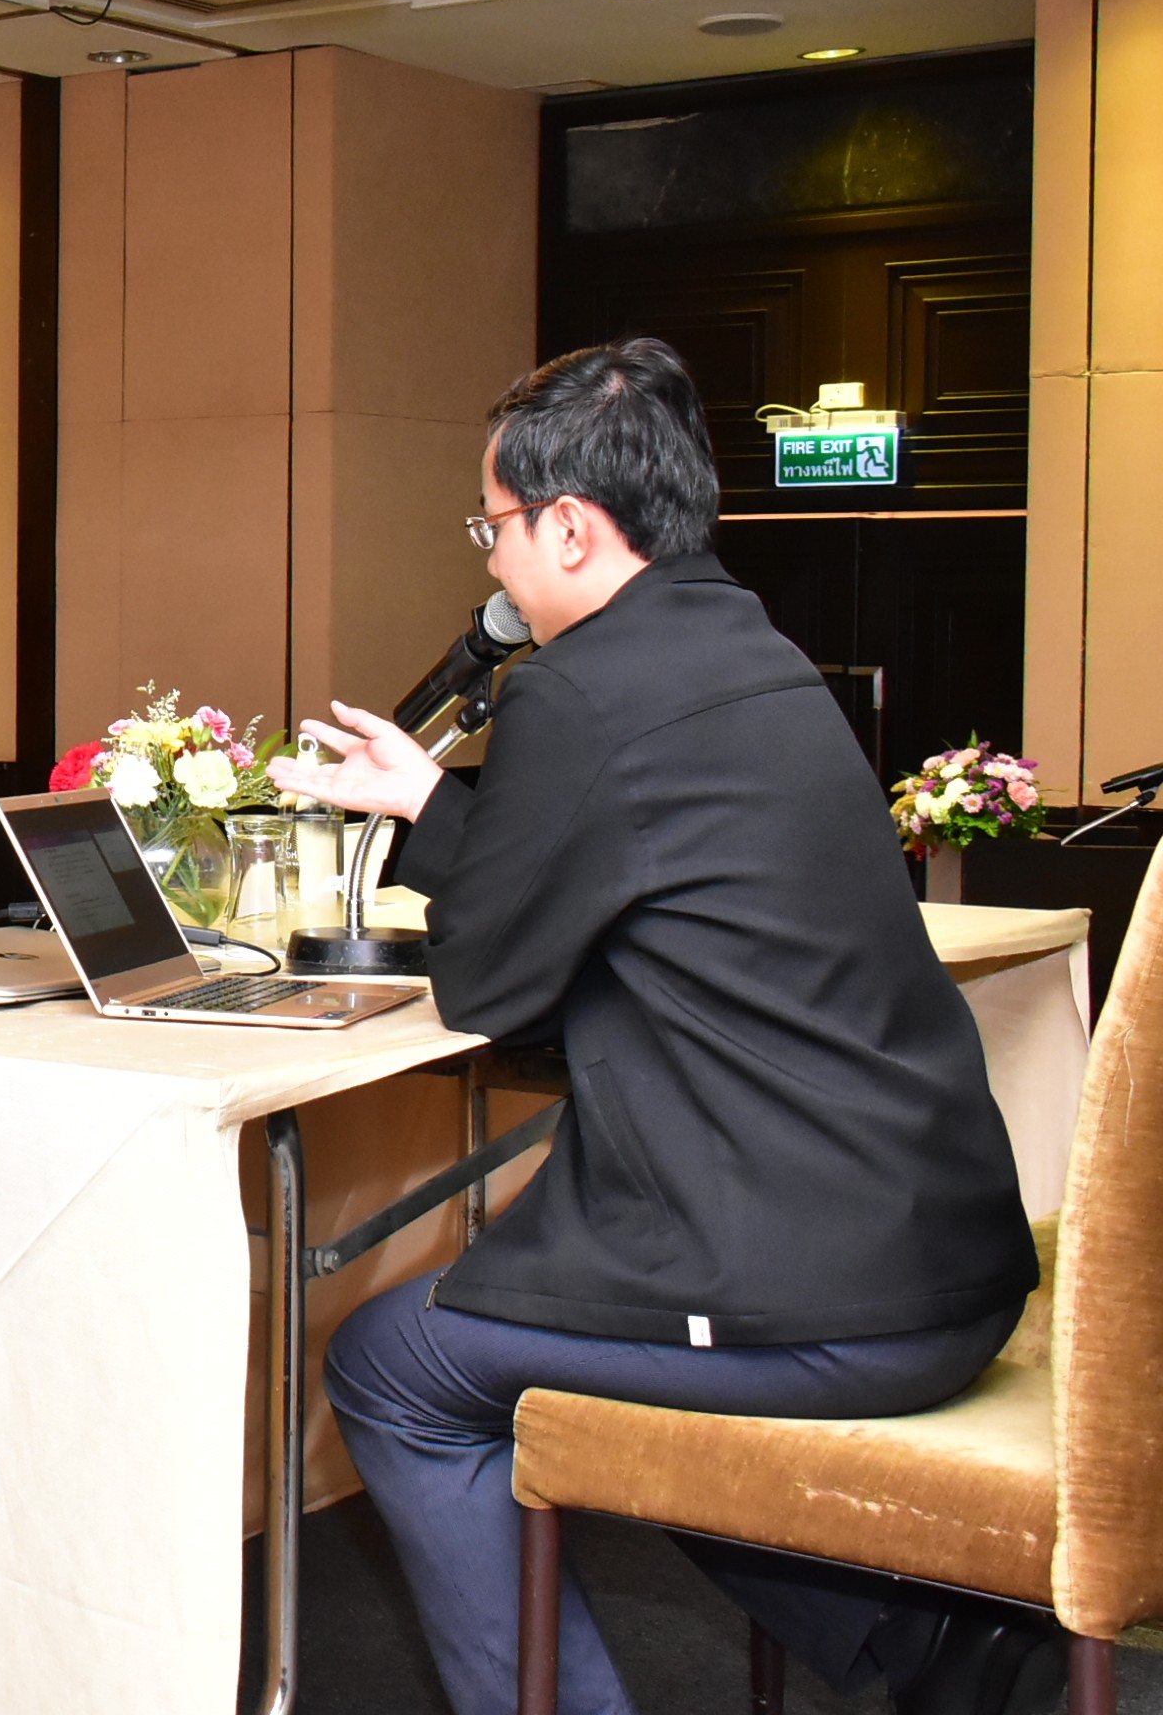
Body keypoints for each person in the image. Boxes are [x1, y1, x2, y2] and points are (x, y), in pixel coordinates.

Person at [270, 339, 1045, 1715]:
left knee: (390, 1367)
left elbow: (494, 988)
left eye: (495, 528)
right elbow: (623, 858)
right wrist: (433, 806)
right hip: (941, 1252)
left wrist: (440, 840)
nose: (494, 562)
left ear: (570, 526)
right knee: (577, 1341)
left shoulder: (575, 687)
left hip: (820, 1295)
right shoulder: (754, 652)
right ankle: (926, 1638)